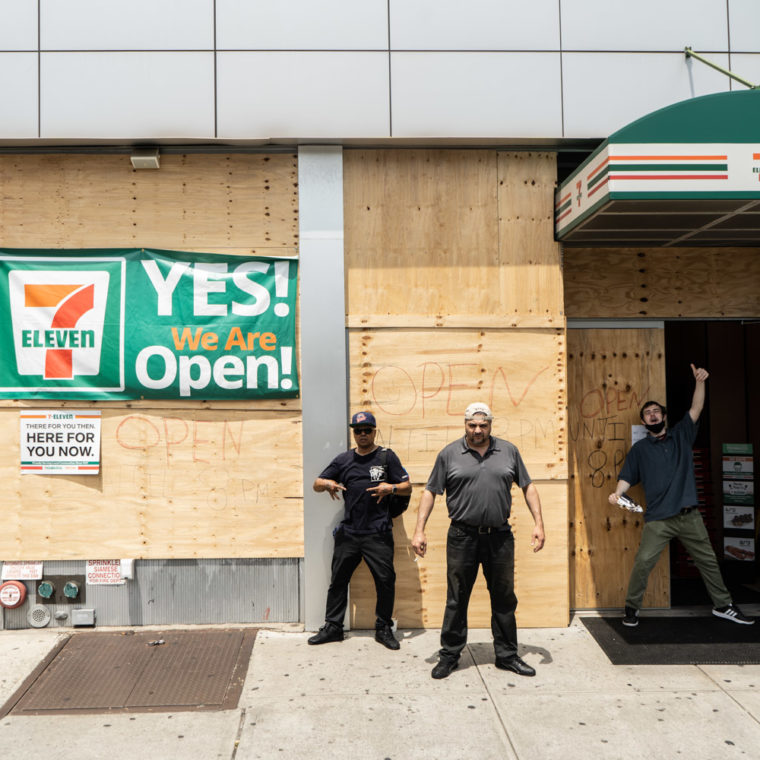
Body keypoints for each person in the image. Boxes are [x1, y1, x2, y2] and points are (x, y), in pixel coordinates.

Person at [609, 364, 754, 627]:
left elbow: (696, 408)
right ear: (643, 422)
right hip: (658, 519)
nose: (652, 416)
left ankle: (724, 605)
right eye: (647, 414)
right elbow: (627, 476)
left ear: (665, 416)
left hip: (689, 516)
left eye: (656, 412)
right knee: (643, 563)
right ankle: (631, 609)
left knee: (708, 561)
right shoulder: (640, 449)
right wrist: (618, 493)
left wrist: (700, 382)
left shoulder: (681, 435)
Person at [411, 402, 546, 679]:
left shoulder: (508, 451)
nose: (477, 430)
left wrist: (539, 523)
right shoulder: (449, 454)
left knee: (504, 597)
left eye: (483, 425)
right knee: (457, 598)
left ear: (491, 425)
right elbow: (430, 492)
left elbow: (528, 486)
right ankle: (449, 655)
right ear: (465, 424)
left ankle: (507, 655)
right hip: (462, 537)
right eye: (472, 425)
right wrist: (419, 530)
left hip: (499, 537)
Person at [309, 411, 412, 649]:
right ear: (353, 433)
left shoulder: (387, 457)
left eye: (367, 430)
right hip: (350, 533)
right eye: (358, 431)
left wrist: (391, 488)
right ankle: (333, 627)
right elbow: (316, 483)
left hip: (379, 532)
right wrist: (328, 483)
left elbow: (407, 486)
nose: (363, 434)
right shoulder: (344, 460)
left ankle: (383, 628)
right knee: (338, 581)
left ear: (374, 431)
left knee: (385, 581)